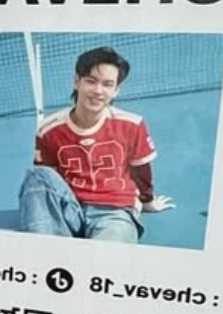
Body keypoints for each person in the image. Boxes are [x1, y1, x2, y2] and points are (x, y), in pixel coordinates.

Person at [18, 45, 174, 244]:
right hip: (70, 207)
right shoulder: (48, 129)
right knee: (37, 176)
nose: (98, 91)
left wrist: (148, 201)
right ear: (77, 82)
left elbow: (142, 171)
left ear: (116, 90)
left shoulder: (132, 125)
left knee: (103, 256)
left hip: (114, 211)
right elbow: (49, 182)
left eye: (108, 84)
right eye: (91, 81)